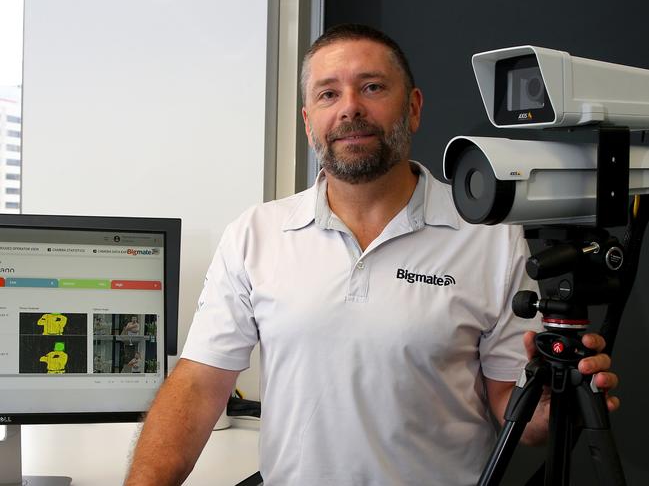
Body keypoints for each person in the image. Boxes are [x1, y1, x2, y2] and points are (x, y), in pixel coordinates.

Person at [125, 24, 619, 486]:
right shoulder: (256, 234)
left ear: (414, 108)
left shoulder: (487, 237)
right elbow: (197, 386)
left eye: (373, 87)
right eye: (328, 94)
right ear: (308, 121)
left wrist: (553, 411)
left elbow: (510, 404)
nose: (349, 109)